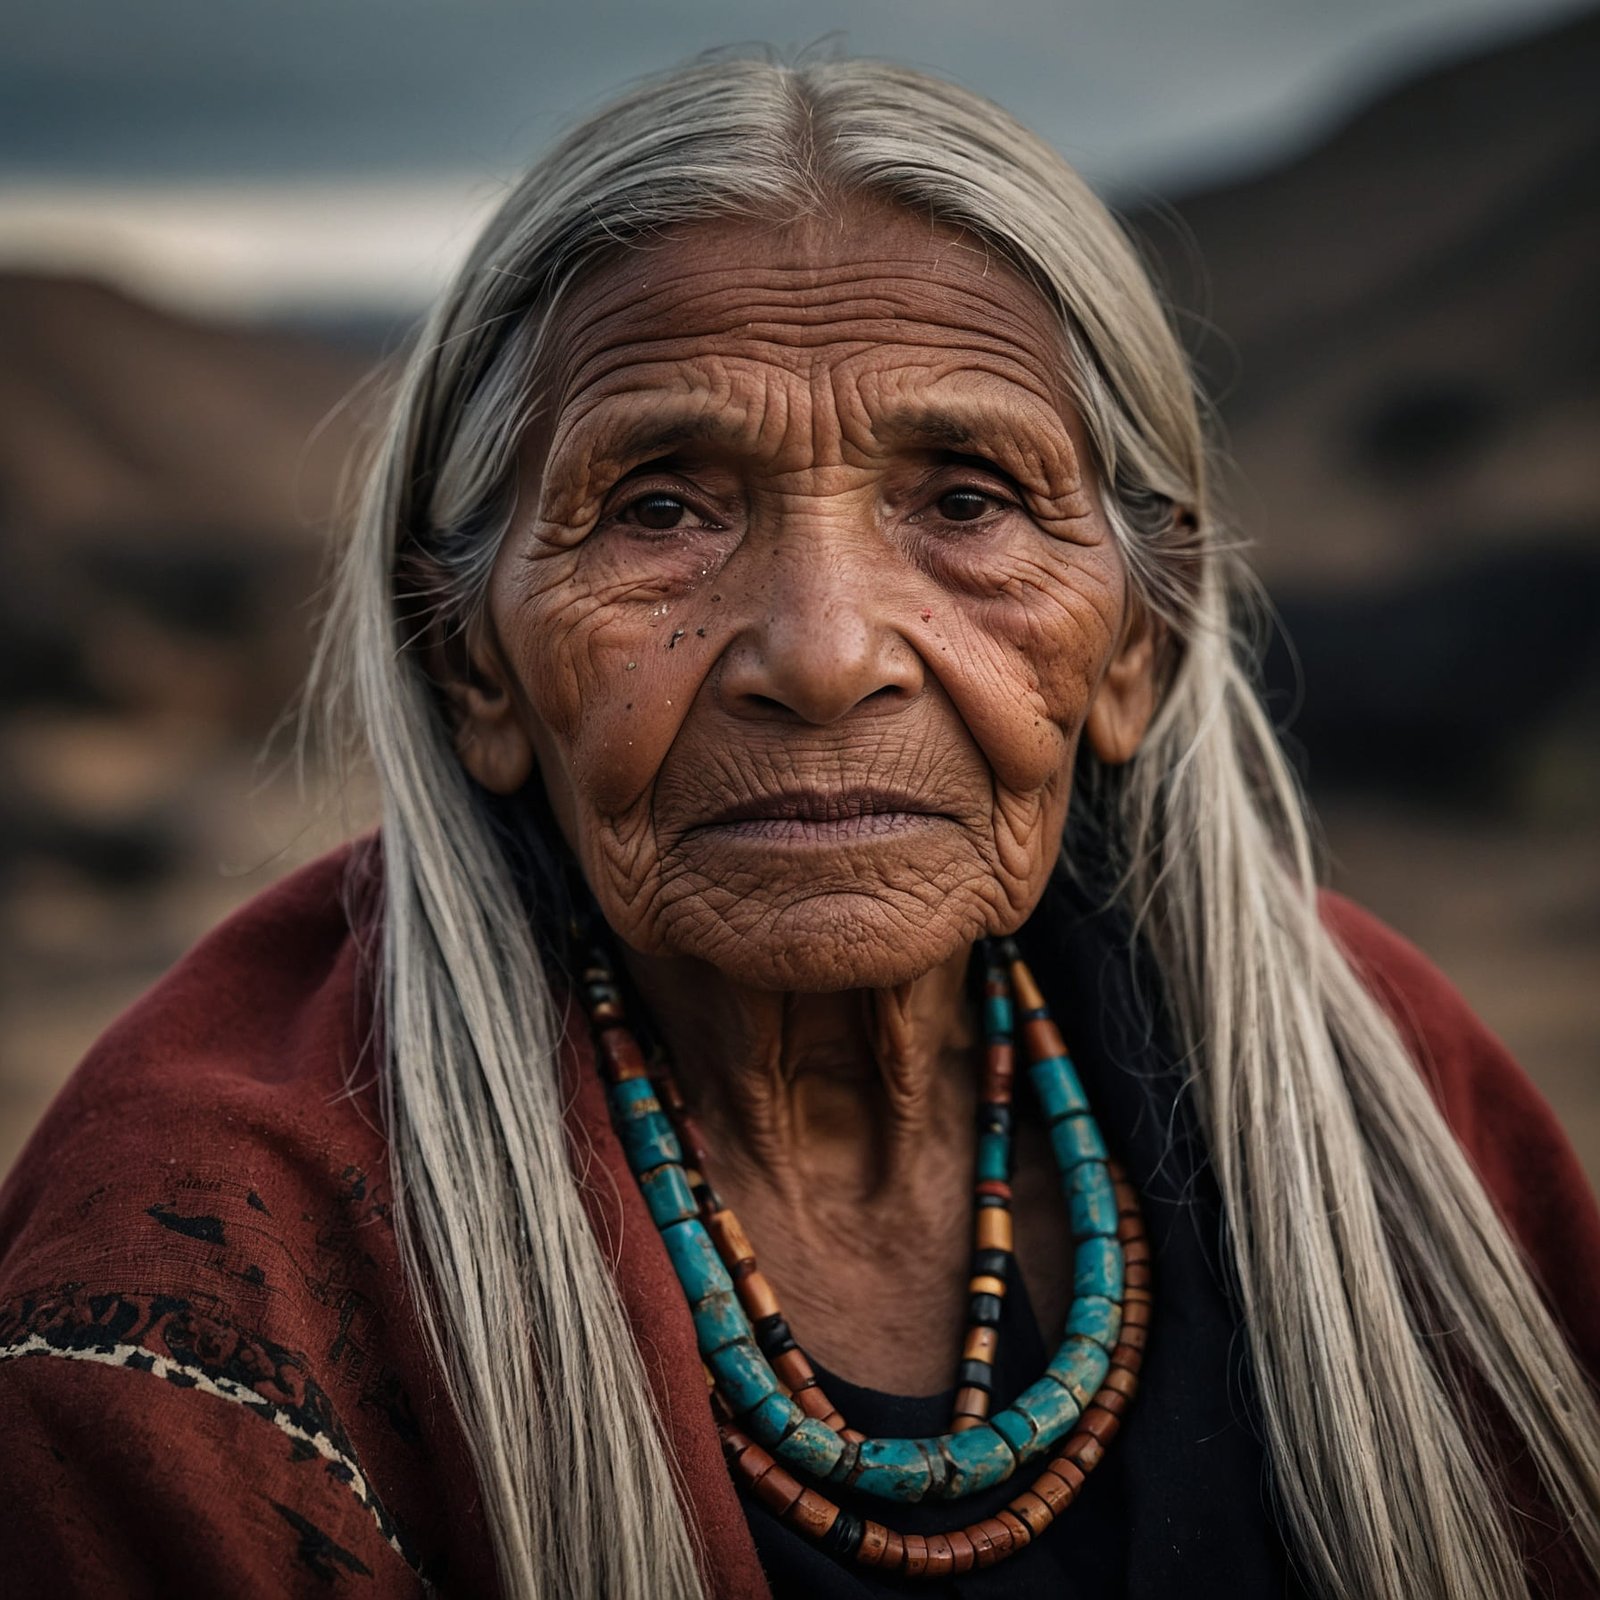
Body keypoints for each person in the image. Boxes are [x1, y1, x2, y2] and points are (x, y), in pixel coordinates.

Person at [1, 54, 1597, 1600]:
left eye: (967, 501)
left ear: (1136, 647)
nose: (825, 653)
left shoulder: (1396, 1095)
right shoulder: (197, 1277)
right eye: (657, 509)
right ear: (471, 663)